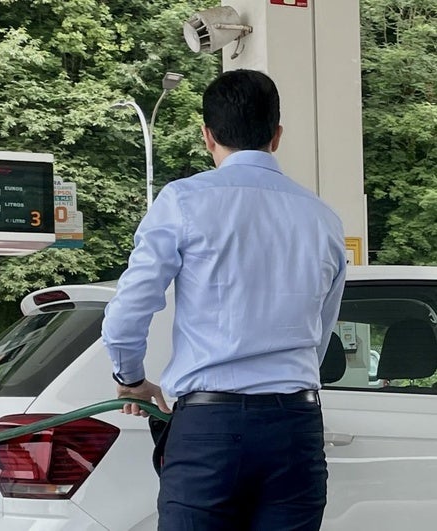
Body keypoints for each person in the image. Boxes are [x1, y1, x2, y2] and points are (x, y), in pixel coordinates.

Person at [101, 69, 346, 531]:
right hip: (296, 426)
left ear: (207, 136)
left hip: (208, 430)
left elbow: (129, 310)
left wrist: (130, 378)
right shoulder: (323, 218)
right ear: (276, 136)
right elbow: (322, 328)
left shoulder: (182, 201)